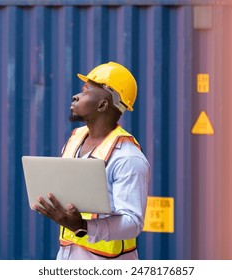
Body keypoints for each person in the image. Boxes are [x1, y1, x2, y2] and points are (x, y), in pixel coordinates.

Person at [32, 61, 150, 260]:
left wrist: (82, 227)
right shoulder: (75, 139)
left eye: (85, 92)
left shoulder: (128, 158)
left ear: (103, 105)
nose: (75, 96)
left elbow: (133, 222)